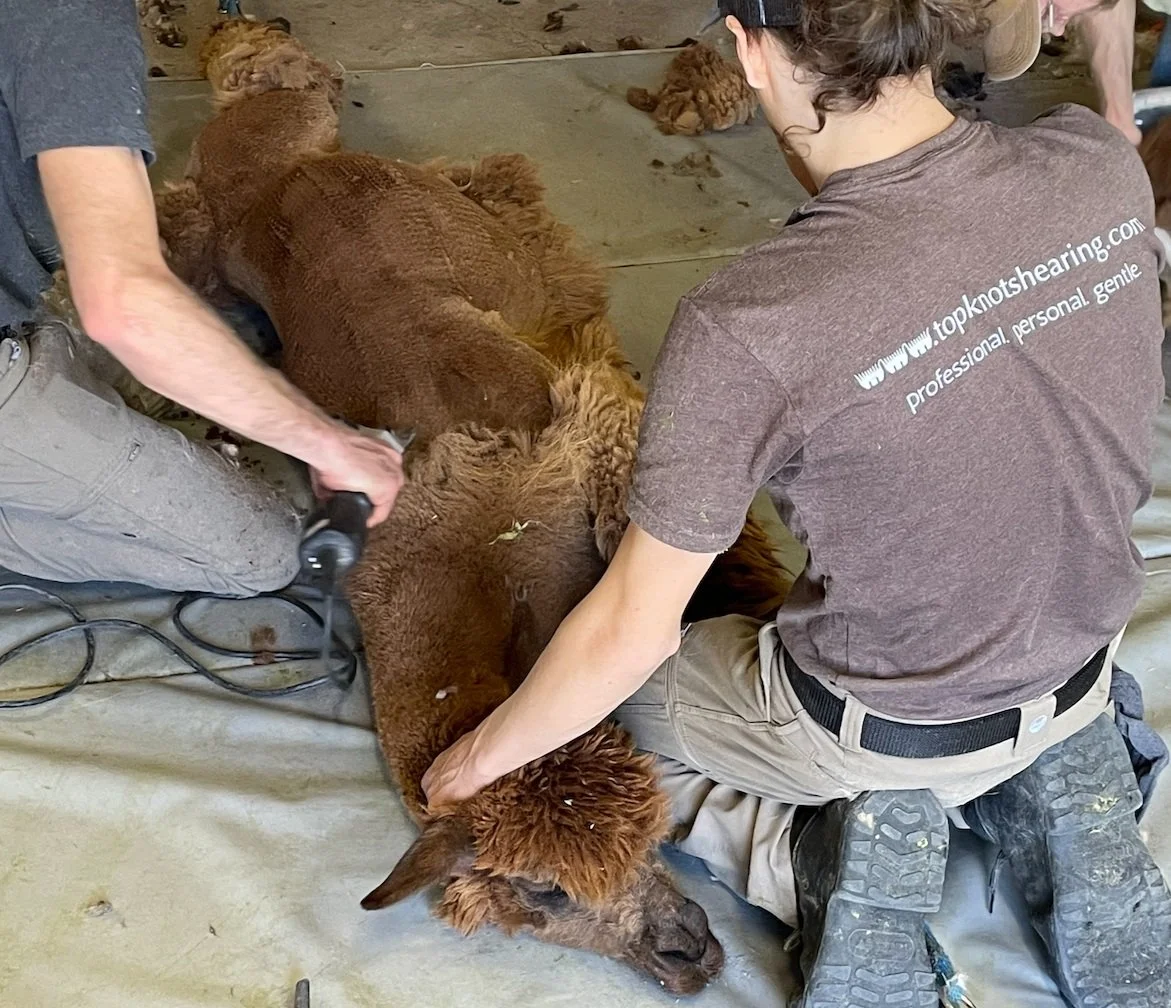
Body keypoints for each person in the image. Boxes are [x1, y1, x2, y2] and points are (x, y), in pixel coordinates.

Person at [423, 0, 1171, 1004]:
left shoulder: (750, 327)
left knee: (615, 705)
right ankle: (1061, 785)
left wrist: (474, 759)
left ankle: (812, 846)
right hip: (1082, 652)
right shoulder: (1095, 163)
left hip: (885, 722)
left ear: (745, 51)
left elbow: (628, 636)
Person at [0, 0, 403, 597]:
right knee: (262, 554)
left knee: (144, 349)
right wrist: (328, 443)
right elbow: (123, 304)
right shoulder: (67, 14)